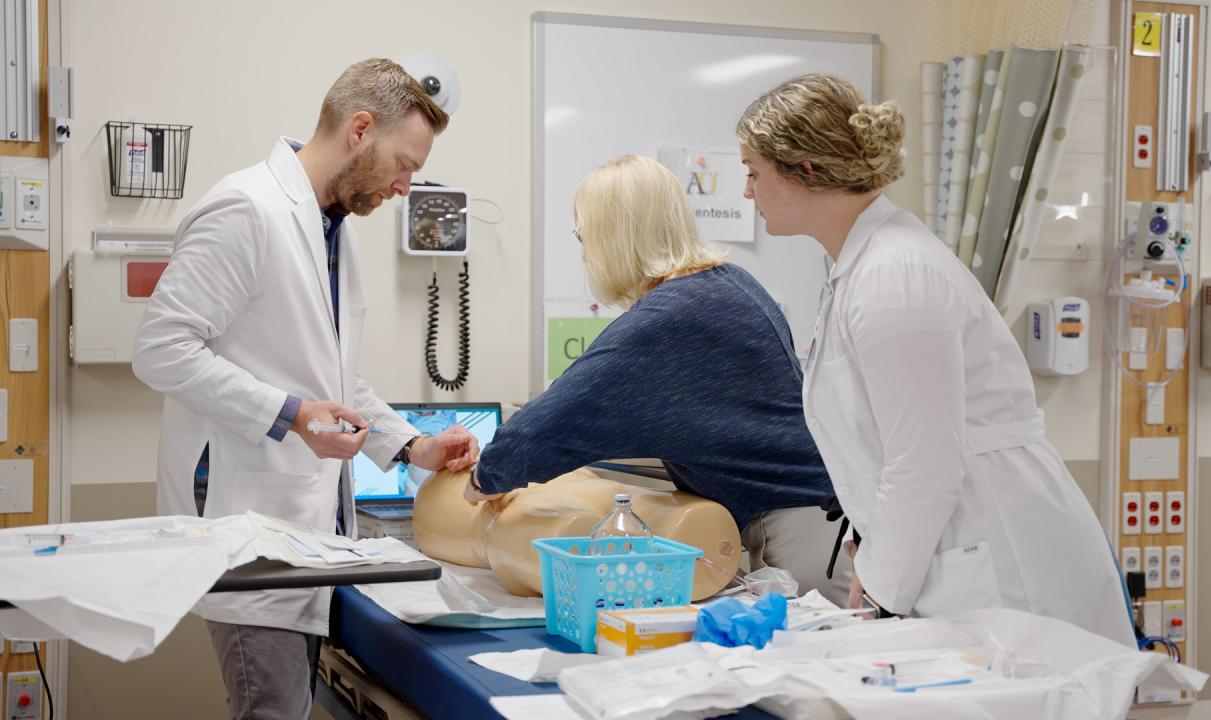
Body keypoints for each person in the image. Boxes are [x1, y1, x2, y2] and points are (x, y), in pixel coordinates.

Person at [133, 58, 479, 719]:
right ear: (358, 130)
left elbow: (333, 381)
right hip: (247, 531)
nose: (407, 186)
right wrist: (289, 415)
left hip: (307, 538)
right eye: (403, 163)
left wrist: (414, 447)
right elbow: (160, 350)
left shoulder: (334, 232)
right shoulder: (246, 210)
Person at [736, 73, 1133, 645]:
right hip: (958, 547)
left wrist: (878, 589)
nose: (746, 191)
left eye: (753, 172)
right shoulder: (866, 267)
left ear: (807, 170)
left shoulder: (894, 277)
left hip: (1002, 559)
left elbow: (925, 462)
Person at [463, 154, 850, 603]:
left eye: (583, 233)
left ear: (612, 236)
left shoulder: (669, 318)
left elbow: (544, 427)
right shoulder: (729, 283)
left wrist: (482, 481)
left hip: (802, 531)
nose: (584, 248)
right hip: (818, 511)